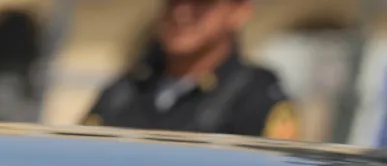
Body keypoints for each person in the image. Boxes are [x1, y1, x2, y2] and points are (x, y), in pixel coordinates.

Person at [83, 0, 300, 140]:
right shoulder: (125, 91)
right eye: (174, 1)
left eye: (201, 3)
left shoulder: (256, 97)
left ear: (239, 11)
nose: (181, 13)